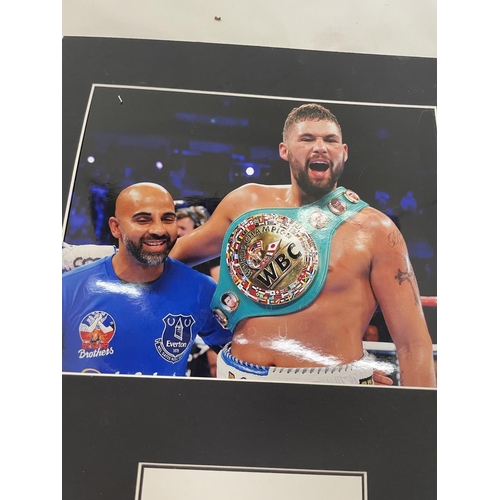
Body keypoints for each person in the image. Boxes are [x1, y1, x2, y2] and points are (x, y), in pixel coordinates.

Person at [167, 103, 436, 388]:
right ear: (284, 150)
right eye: (307, 139)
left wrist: (413, 418)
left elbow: (412, 342)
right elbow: (170, 261)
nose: (320, 147)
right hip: (240, 382)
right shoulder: (245, 203)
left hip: (335, 391)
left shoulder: (376, 231)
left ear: (343, 153)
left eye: (330, 140)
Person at [62, 182, 231, 376]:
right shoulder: (67, 290)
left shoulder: (201, 290)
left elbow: (240, 355)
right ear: (116, 227)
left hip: (166, 406)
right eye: (143, 220)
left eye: (168, 219)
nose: (159, 230)